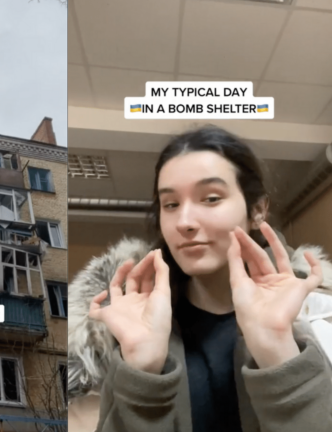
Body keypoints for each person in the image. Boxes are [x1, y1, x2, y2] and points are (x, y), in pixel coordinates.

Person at [67, 126, 332, 432]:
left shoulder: (319, 317)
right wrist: (142, 372)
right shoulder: (124, 329)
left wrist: (280, 353)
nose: (185, 222)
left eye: (210, 198)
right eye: (171, 205)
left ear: (257, 209)